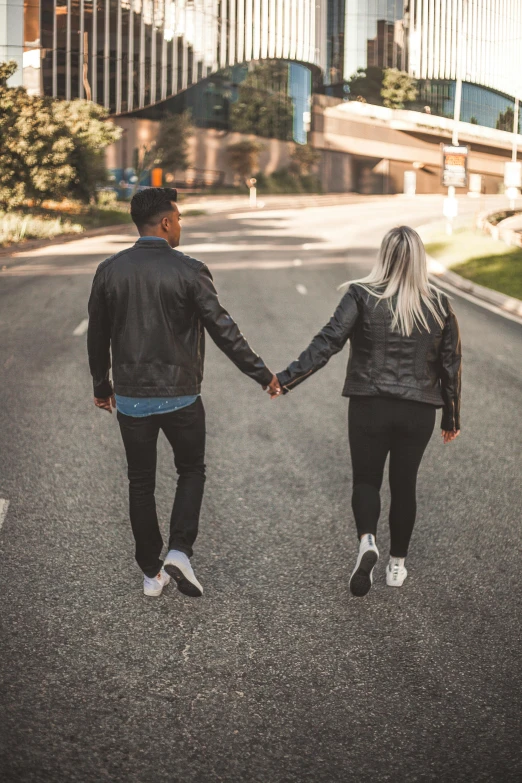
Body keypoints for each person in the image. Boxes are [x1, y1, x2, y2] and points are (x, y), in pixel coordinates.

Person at [87, 187, 281, 598]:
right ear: (166, 222)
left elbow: (97, 335)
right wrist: (262, 375)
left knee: (140, 481)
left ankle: (149, 573)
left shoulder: (109, 270)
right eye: (179, 218)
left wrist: (101, 387)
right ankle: (179, 550)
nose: (181, 225)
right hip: (182, 399)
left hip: (133, 400)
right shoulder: (191, 271)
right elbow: (223, 329)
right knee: (191, 471)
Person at [271, 226, 461, 597]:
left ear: (384, 256)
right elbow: (451, 364)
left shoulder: (361, 294)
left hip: (368, 405)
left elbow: (328, 342)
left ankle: (368, 541)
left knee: (366, 481)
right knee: (404, 486)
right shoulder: (440, 303)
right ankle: (396, 566)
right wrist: (451, 417)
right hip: (418, 411)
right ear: (420, 259)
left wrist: (286, 379)